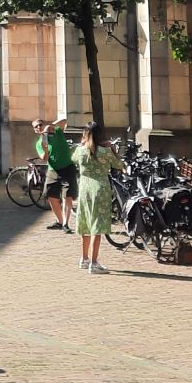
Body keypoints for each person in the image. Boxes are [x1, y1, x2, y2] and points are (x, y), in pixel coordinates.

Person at [72, 121, 123, 274]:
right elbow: (119, 165)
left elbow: (74, 159)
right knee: (97, 225)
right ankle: (94, 263)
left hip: (84, 189)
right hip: (100, 189)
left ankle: (84, 258)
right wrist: (113, 149)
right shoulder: (105, 152)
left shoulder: (80, 150)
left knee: (86, 223)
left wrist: (83, 143)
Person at [35, 117, 78, 232]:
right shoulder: (39, 143)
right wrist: (45, 149)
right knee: (50, 196)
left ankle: (66, 224)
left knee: (67, 195)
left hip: (67, 167)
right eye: (36, 126)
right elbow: (44, 158)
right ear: (35, 130)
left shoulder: (57, 131)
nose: (39, 127)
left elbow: (64, 120)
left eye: (41, 125)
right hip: (53, 170)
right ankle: (60, 221)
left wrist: (51, 126)